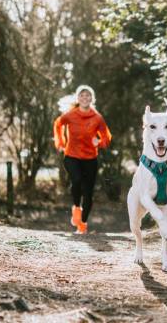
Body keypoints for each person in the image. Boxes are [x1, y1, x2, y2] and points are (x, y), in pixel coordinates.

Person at [53, 85, 112, 234]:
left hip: (90, 158)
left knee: (88, 193)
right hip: (71, 155)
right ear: (78, 98)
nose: (85, 98)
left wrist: (99, 142)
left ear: (91, 99)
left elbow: (106, 137)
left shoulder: (97, 118)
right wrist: (60, 142)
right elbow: (58, 124)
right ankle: (76, 209)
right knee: (77, 180)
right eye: (82, 96)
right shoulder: (70, 115)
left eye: (88, 96)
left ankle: (83, 224)